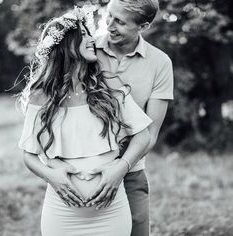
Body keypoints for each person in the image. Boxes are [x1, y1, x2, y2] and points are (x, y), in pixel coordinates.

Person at [18, 7, 153, 236]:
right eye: (83, 34)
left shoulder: (109, 84)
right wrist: (51, 176)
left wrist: (120, 170)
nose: (92, 39)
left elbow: (143, 135)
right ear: (66, 45)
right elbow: (29, 155)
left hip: (111, 213)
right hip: (62, 215)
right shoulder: (42, 95)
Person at [84, 0, 174, 235]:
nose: (109, 25)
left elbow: (151, 133)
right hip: (84, 169)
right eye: (109, 15)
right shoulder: (85, 50)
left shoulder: (160, 63)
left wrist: (121, 168)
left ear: (143, 26)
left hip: (131, 171)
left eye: (120, 22)